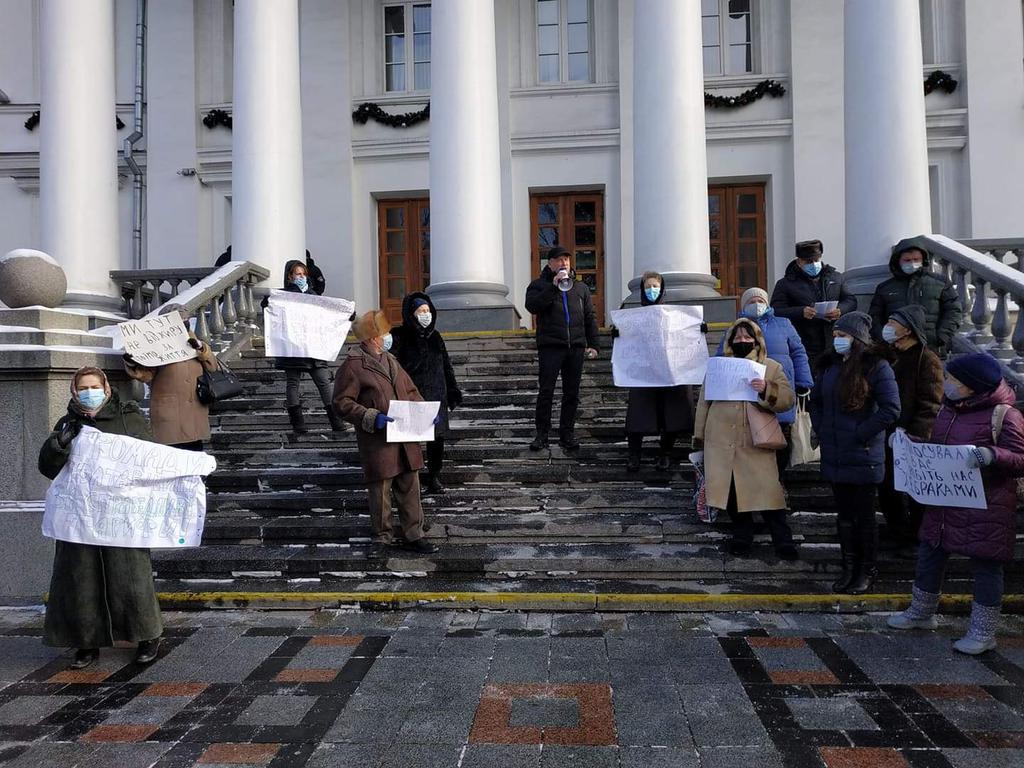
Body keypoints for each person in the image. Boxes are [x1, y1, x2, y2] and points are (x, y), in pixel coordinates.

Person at [888, 353, 1024, 654]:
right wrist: (909, 445)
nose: (947, 384)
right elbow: (941, 450)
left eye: (953, 380)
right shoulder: (950, 410)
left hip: (988, 505)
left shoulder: (1005, 415)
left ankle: (983, 631)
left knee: (986, 567)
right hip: (945, 501)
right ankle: (921, 612)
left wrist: (992, 455)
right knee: (929, 556)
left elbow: (1019, 459)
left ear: (971, 385)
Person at [38, 367, 164, 669]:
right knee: (81, 579)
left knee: (130, 576)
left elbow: (150, 460)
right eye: (83, 387)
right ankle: (86, 642)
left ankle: (146, 636)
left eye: (94, 386)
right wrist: (59, 444)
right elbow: (47, 467)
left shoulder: (128, 417)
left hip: (119, 513)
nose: (89, 392)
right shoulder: (68, 422)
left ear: (106, 388)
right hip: (79, 516)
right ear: (74, 391)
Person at [810, 311, 900, 594]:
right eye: (835, 336)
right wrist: (822, 428)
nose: (837, 341)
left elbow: (890, 409)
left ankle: (866, 569)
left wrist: (861, 433)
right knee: (844, 515)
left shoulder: (876, 367)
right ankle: (849, 567)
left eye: (843, 336)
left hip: (863, 453)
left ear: (857, 339)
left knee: (864, 515)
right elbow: (817, 402)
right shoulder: (829, 366)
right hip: (835, 451)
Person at [693, 318, 798, 559]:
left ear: (756, 340)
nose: (742, 341)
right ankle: (742, 536)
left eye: (747, 337)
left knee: (769, 492)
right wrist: (699, 436)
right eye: (737, 337)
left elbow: (787, 399)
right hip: (720, 439)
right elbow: (703, 402)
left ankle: (783, 541)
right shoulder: (718, 366)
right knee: (731, 493)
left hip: (755, 441)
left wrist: (766, 389)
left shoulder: (770, 366)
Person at [334, 310, 437, 554]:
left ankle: (414, 534)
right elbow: (341, 403)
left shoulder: (391, 360)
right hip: (378, 440)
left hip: (405, 434)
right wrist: (370, 416)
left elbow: (411, 391)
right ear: (371, 337)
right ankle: (382, 536)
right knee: (381, 490)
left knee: (410, 485)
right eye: (384, 333)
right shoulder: (353, 365)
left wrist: (426, 413)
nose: (388, 337)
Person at [718, 287, 812, 475]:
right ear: (744, 305)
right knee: (755, 438)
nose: (757, 305)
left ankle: (779, 479)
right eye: (751, 302)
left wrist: (804, 381)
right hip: (748, 392)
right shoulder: (737, 327)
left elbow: (798, 352)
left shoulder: (783, 324)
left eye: (760, 301)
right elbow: (722, 356)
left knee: (780, 437)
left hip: (779, 386)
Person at [876, 305, 943, 550]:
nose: (888, 327)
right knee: (887, 488)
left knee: (915, 492)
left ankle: (915, 537)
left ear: (907, 329)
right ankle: (896, 531)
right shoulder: (887, 354)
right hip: (885, 432)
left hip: (911, 437)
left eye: (893, 322)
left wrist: (916, 433)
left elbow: (931, 402)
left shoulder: (926, 359)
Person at [525, 246, 599, 452]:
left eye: (566, 259)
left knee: (571, 393)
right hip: (551, 346)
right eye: (558, 260)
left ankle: (567, 434)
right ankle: (542, 434)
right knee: (546, 391)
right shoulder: (538, 285)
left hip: (575, 346)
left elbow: (590, 317)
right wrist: (553, 286)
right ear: (549, 264)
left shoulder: (581, 288)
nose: (564, 263)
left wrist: (594, 344)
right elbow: (532, 306)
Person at [264, 259, 347, 434]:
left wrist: (346, 315)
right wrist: (268, 301)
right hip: (293, 348)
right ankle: (298, 423)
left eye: (304, 274)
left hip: (313, 347)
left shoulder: (313, 295)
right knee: (293, 383)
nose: (301, 277)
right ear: (290, 276)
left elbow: (327, 314)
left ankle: (336, 421)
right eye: (298, 274)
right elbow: (269, 306)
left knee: (324, 382)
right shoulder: (283, 296)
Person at [623, 271, 694, 472]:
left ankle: (665, 453)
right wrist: (618, 333)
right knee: (638, 413)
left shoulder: (674, 315)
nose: (651, 290)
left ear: (661, 288)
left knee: (670, 413)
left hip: (668, 371)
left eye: (655, 286)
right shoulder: (634, 316)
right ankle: (634, 454)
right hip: (643, 373)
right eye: (647, 287)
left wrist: (697, 330)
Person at [391, 292, 463, 494]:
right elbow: (392, 363)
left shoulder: (436, 336)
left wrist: (453, 390)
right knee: (409, 439)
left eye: (427, 310)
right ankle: (408, 478)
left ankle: (433, 476)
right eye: (420, 311)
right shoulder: (400, 335)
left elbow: (446, 365)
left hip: (436, 394)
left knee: (436, 439)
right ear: (411, 313)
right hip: (411, 395)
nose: (425, 314)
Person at [123, 319, 220, 451]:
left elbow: (213, 367)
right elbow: (146, 376)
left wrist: (202, 350)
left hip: (194, 408)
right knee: (171, 453)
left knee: (194, 453)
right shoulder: (156, 345)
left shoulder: (194, 341)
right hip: (169, 411)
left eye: (185, 321)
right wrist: (133, 363)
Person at [869, 237, 962, 358]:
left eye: (916, 259)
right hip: (896, 352)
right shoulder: (885, 288)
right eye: (907, 260)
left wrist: (940, 337)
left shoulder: (940, 283)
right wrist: (884, 339)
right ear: (898, 261)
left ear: (923, 260)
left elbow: (954, 311)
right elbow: (874, 318)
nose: (912, 263)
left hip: (932, 350)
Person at [770, 239, 858, 363]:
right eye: (808, 261)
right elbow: (776, 311)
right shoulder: (785, 284)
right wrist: (801, 312)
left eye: (816, 260)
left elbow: (851, 300)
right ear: (799, 262)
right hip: (805, 344)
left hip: (834, 342)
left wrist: (840, 310)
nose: (813, 264)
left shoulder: (836, 277)